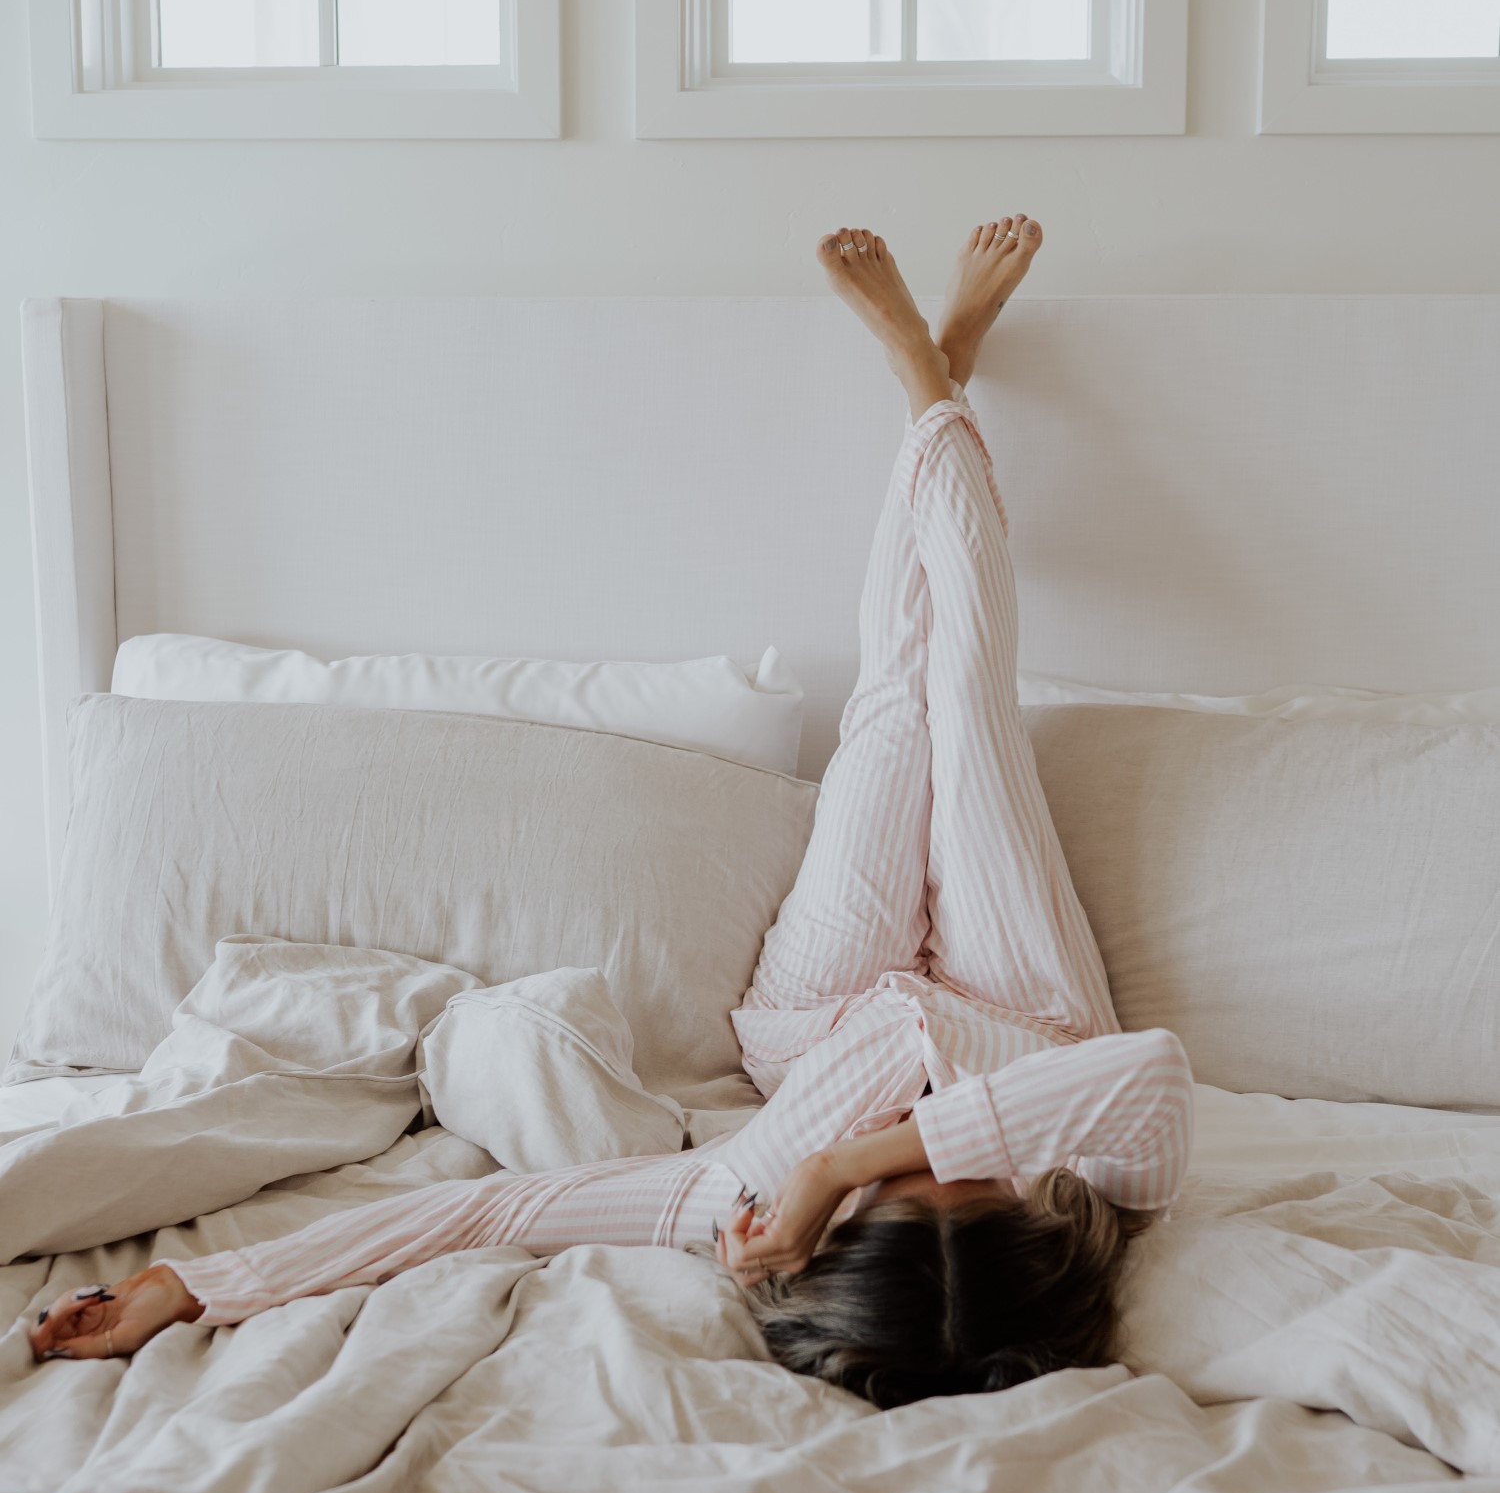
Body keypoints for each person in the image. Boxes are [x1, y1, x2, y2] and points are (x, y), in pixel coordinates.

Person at [32, 217, 1193, 1408]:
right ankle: (934, 377)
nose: (929, 1150)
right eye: (975, 1172)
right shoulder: (1098, 1174)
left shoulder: (739, 1192)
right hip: (1028, 1003)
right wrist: (857, 1163)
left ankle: (928, 380)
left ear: (825, 1241)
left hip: (826, 1012)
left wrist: (196, 1286)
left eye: (898, 1189)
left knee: (894, 704)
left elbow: (487, 1212)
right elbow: (1152, 1073)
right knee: (967, 690)